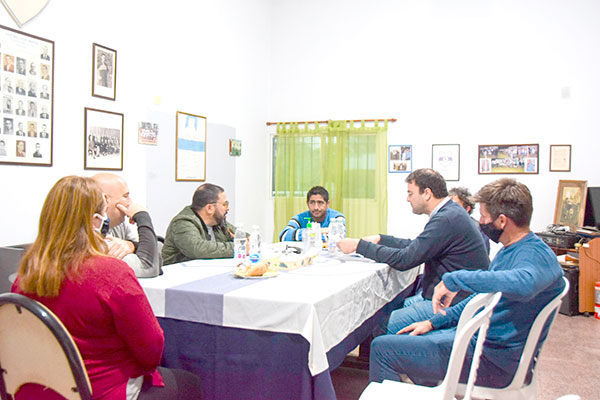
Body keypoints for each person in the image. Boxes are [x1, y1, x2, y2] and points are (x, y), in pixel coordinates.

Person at [11, 176, 203, 399]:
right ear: (96, 221)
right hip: (100, 389)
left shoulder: (26, 273)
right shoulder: (111, 272)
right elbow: (151, 349)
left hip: (36, 388)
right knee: (189, 383)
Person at [369, 178, 565, 390]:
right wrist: (433, 323)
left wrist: (455, 279)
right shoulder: (514, 249)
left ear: (502, 221)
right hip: (483, 345)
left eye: (484, 216)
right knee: (410, 336)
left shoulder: (535, 256)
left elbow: (524, 283)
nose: (480, 222)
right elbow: (481, 298)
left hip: (493, 362)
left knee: (382, 349)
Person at [338, 168, 489, 331]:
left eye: (410, 193)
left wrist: (359, 246)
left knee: (376, 325)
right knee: (383, 309)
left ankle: (382, 345)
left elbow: (405, 259)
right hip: (449, 296)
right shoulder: (450, 212)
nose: (407, 199)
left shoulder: (446, 219)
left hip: (451, 303)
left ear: (427, 193)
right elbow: (418, 245)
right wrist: (381, 239)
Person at [93, 173, 162, 278]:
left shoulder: (117, 225)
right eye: (125, 196)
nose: (130, 202)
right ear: (105, 199)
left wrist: (132, 245)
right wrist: (142, 217)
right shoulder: (94, 233)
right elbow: (149, 267)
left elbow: (159, 250)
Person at [162, 183, 236, 264]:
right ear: (209, 208)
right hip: (180, 271)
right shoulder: (183, 222)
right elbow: (198, 250)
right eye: (225, 204)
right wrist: (238, 248)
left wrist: (245, 242)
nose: (227, 208)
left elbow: (241, 236)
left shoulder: (218, 222)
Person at [279, 186, 345, 241]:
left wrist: (304, 235)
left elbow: (339, 238)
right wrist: (317, 230)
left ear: (327, 204)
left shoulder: (337, 218)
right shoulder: (299, 218)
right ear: (307, 203)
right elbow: (284, 235)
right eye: (312, 202)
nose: (316, 207)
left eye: (320, 202)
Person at [449, 186, 491, 254]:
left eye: (455, 206)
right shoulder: (442, 226)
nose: (449, 209)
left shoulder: (478, 229)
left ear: (467, 209)